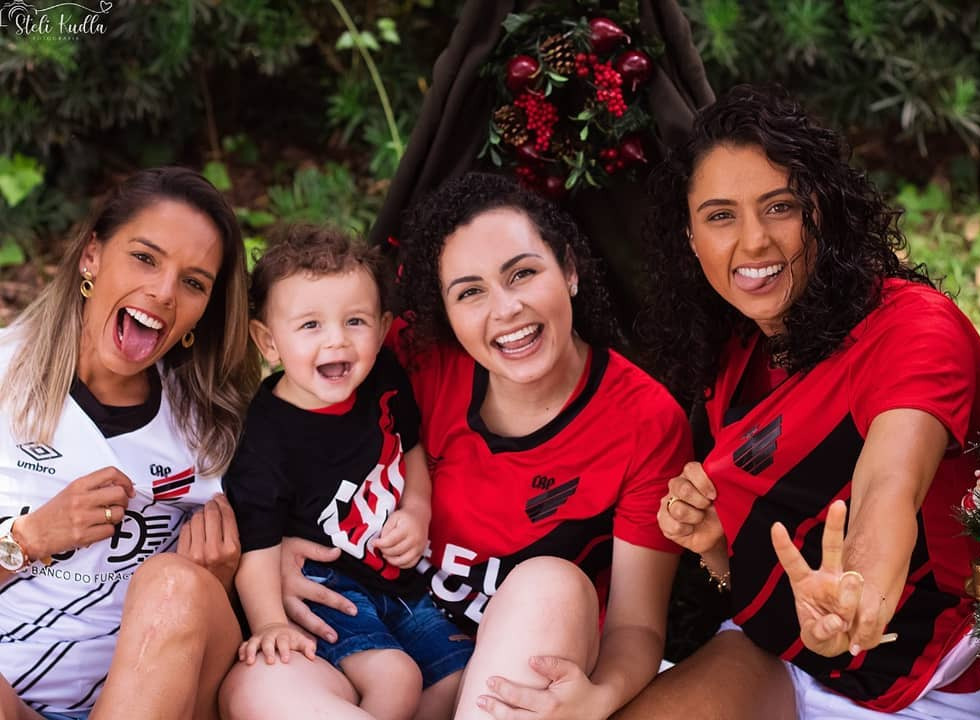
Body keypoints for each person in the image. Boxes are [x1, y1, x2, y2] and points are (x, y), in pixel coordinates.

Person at [219, 172, 693, 720]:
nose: (505, 309)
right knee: (260, 684)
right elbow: (291, 428)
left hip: (514, 661)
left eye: (523, 273)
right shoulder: (407, 355)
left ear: (569, 269)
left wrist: (601, 698)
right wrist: (273, 546)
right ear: (442, 310)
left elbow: (635, 625)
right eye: (470, 292)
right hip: (370, 627)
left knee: (553, 583)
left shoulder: (643, 419)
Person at [616, 85, 980, 720]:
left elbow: (889, 485)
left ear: (823, 210)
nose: (753, 242)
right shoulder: (737, 346)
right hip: (784, 653)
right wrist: (717, 546)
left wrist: (857, 593)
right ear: (690, 237)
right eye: (720, 216)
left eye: (780, 207)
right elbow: (769, 556)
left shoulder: (914, 331)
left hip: (928, 681)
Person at [0, 166, 260, 720]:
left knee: (174, 584)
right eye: (145, 257)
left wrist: (216, 581)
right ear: (91, 256)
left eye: (194, 283)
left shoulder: (215, 426)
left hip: (144, 697)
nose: (163, 292)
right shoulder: (5, 374)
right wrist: (29, 537)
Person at [225, 225, 471, 720]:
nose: (336, 339)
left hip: (397, 582)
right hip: (324, 583)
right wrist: (270, 623)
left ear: (381, 330)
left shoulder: (384, 378)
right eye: (310, 325)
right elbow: (258, 549)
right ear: (268, 341)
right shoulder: (267, 438)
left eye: (355, 321)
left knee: (460, 676)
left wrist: (417, 509)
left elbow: (410, 448)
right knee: (396, 677)